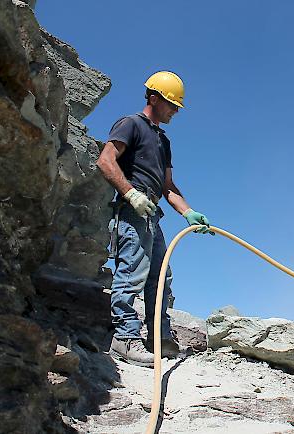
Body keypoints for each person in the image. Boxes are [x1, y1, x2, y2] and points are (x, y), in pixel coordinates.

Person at [97, 71, 213, 367]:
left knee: (161, 277)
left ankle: (158, 337)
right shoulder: (130, 124)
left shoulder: (163, 141)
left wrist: (189, 213)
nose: (175, 111)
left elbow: (168, 187)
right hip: (132, 210)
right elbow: (106, 161)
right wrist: (130, 194)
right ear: (153, 98)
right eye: (172, 104)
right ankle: (124, 339)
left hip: (152, 214)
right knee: (132, 271)